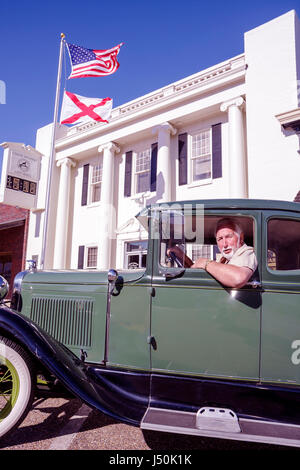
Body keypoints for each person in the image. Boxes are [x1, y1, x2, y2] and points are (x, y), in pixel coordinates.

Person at [167, 218, 258, 289]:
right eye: (220, 239)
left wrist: (205, 263)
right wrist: (181, 255)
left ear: (241, 238)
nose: (225, 244)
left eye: (229, 237)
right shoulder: (225, 258)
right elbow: (199, 273)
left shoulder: (247, 252)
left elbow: (238, 278)